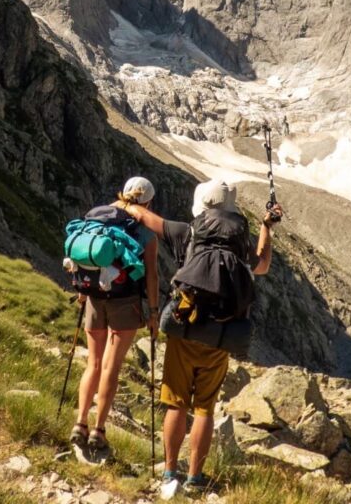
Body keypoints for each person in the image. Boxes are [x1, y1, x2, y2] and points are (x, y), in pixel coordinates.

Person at [125, 179, 282, 492]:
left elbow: (145, 218)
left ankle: (170, 473)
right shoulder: (240, 242)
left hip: (185, 327)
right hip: (222, 333)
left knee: (175, 404)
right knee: (204, 409)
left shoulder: (187, 231)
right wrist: (266, 226)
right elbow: (262, 264)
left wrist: (125, 203)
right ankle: (195, 478)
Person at [70, 176, 160, 452]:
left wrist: (83, 292)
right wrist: (153, 312)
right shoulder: (145, 233)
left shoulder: (97, 219)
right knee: (111, 367)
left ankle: (79, 423)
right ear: (147, 202)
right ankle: (98, 430)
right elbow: (152, 277)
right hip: (125, 302)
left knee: (93, 364)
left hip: (94, 297)